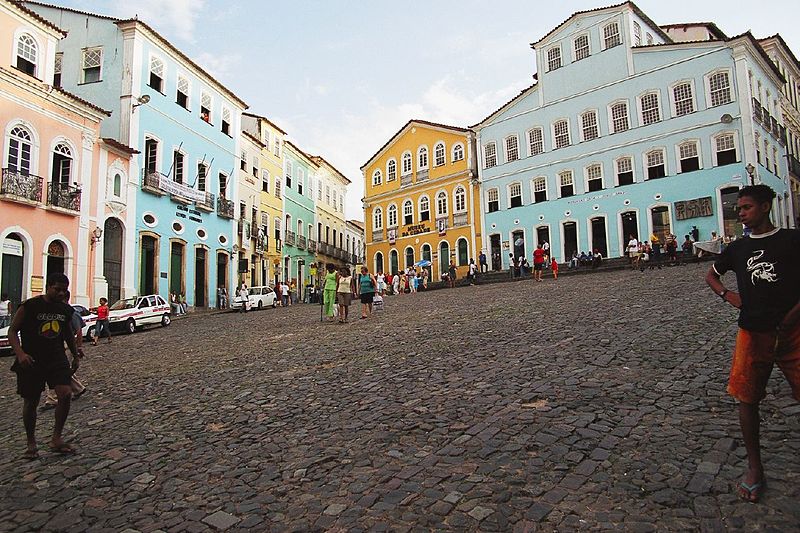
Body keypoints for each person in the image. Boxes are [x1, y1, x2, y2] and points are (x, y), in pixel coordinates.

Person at [704, 184, 800, 504]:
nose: (740, 214)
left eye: (745, 208)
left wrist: (793, 315)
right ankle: (755, 468)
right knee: (747, 400)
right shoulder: (738, 249)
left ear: (764, 207)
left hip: (793, 334)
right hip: (752, 334)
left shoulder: (791, 240)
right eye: (738, 209)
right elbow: (711, 276)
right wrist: (728, 296)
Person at [9, 273, 84, 459]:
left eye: (64, 290)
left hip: (56, 358)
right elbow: (12, 330)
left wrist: (75, 355)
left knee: (65, 394)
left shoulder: (64, 310)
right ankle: (31, 444)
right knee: (31, 402)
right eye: (57, 289)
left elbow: (67, 334)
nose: (60, 293)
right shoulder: (30, 306)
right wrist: (20, 354)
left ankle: (56, 438)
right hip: (32, 359)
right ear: (48, 287)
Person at [44, 291, 86, 409]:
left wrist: (79, 348)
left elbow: (78, 331)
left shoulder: (71, 313)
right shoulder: (57, 311)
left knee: (57, 371)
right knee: (62, 371)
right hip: (57, 345)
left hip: (67, 345)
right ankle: (78, 389)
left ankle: (52, 399)